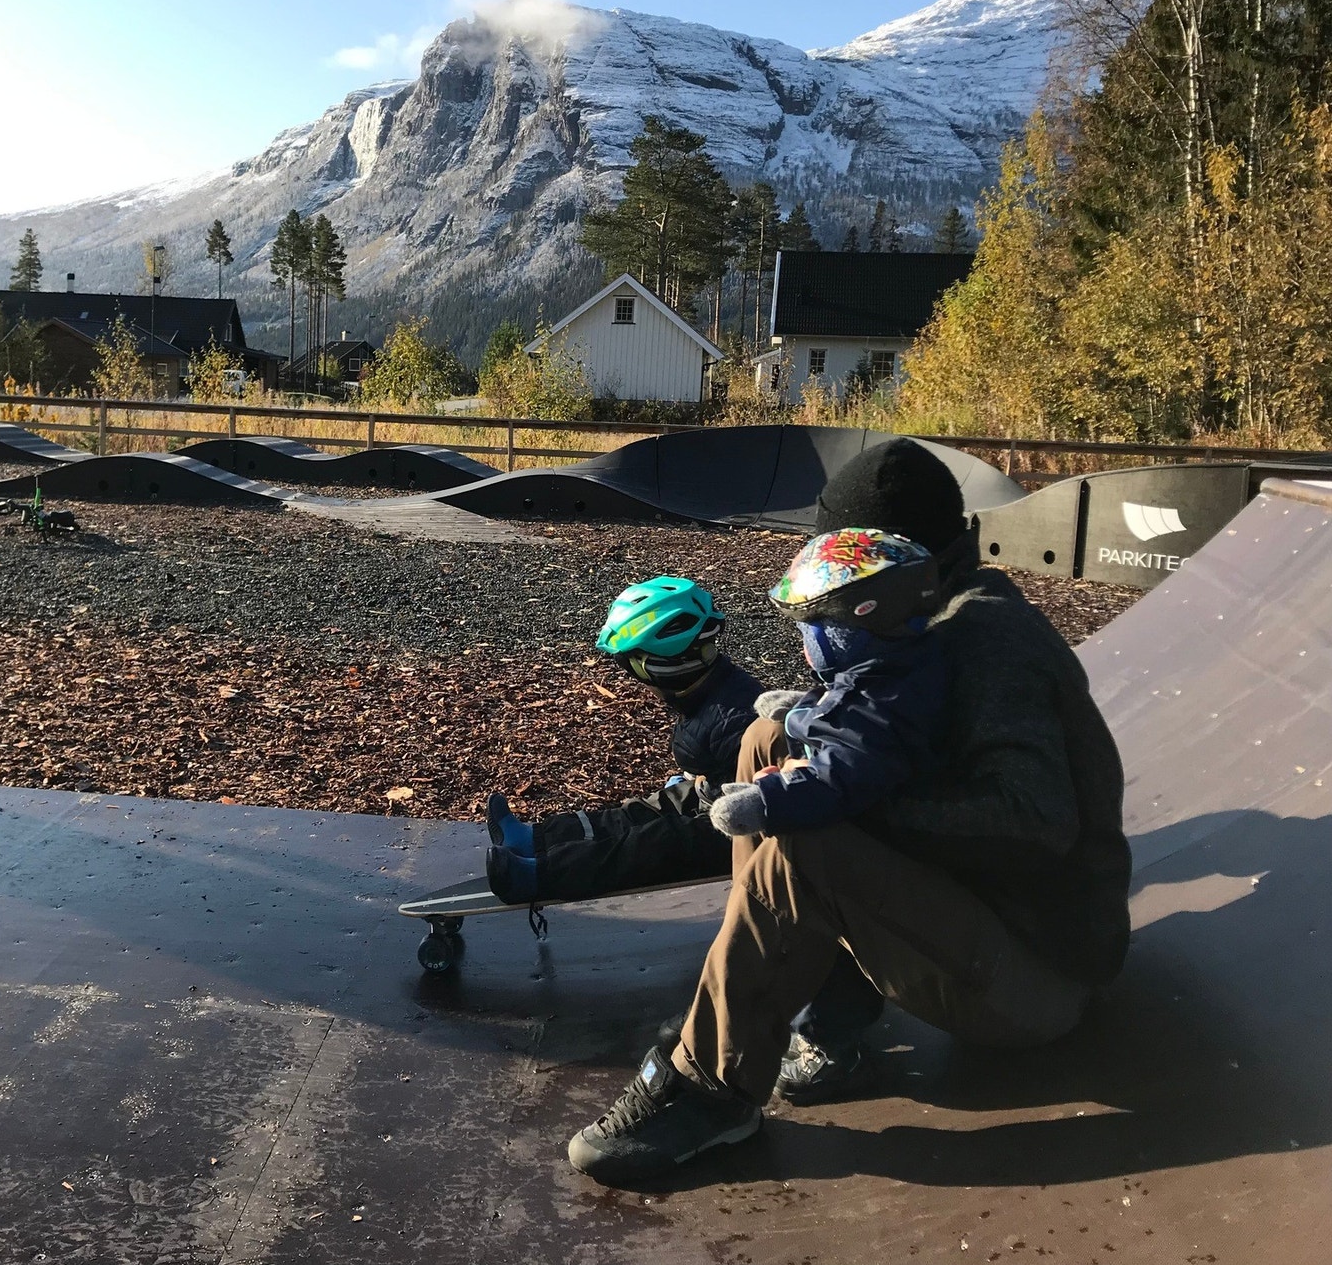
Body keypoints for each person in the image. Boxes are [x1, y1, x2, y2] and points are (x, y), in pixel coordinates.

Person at [565, 437, 1132, 1186]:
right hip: (981, 932)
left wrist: (851, 801)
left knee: (810, 836)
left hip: (1038, 979)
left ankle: (712, 1089)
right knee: (766, 741)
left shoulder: (985, 638)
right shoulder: (918, 623)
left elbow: (1036, 820)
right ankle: (805, 1021)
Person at [485, 575, 763, 904]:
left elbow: (758, 802)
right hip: (722, 793)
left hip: (747, 829)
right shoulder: (709, 692)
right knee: (647, 810)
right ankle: (535, 839)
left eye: (633, 667)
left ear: (664, 668)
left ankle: (540, 873)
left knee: (660, 842)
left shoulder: (735, 719)